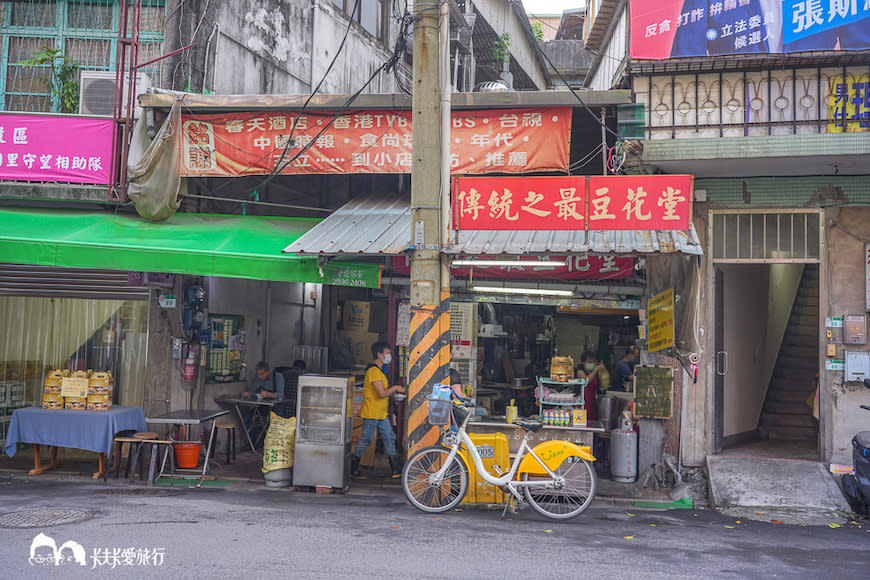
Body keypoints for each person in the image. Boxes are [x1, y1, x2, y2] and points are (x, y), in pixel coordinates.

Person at [351, 341, 405, 479]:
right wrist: (395, 388)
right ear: (379, 354)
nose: (389, 356)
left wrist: (393, 393)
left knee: (389, 438)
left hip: (380, 413)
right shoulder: (374, 371)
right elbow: (381, 393)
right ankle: (352, 468)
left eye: (389, 353)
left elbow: (384, 392)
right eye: (386, 353)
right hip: (372, 412)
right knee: (366, 440)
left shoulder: (380, 371)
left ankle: (396, 470)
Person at [574, 351, 602, 421]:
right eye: (589, 361)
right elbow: (586, 381)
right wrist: (595, 371)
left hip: (592, 405)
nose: (592, 363)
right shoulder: (580, 371)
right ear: (583, 362)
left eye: (593, 361)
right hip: (581, 404)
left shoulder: (595, 373)